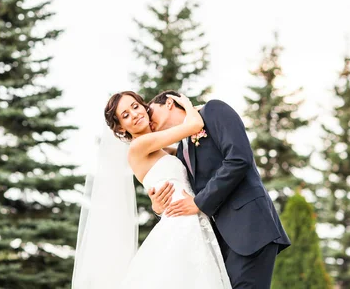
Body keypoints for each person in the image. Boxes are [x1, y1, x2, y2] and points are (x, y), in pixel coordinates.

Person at [72, 91, 231, 288]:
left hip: (191, 220)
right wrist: (188, 105)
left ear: (143, 106)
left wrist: (157, 207)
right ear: (121, 127)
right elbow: (194, 126)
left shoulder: (163, 150)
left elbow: (187, 155)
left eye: (135, 106)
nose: (135, 114)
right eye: (125, 115)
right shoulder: (139, 146)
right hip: (179, 225)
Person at [147, 90, 291, 288]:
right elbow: (185, 191)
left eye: (150, 111)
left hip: (249, 228)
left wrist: (200, 202)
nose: (147, 118)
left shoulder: (214, 110)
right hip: (220, 241)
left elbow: (239, 158)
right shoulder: (183, 147)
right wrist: (159, 208)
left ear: (169, 103)